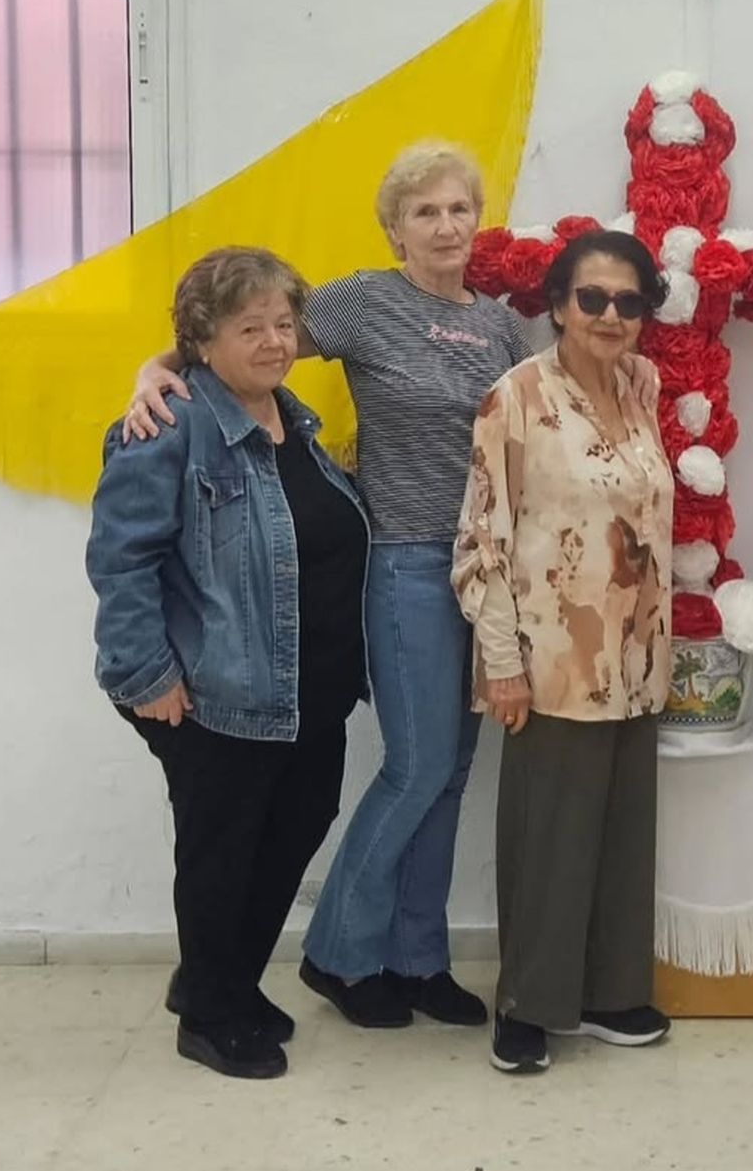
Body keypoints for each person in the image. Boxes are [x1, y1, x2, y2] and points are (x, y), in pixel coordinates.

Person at [125, 143, 528, 1030]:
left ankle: (419, 957)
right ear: (394, 228)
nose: (446, 224)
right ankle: (341, 954)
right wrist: (155, 370)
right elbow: (241, 342)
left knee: (453, 772)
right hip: (406, 564)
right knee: (417, 765)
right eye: (425, 211)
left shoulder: (503, 326)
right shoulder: (362, 302)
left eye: (459, 207)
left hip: (485, 571)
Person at [87, 248, 370, 1080]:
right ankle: (211, 1015)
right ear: (202, 341)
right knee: (222, 851)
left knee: (296, 826)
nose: (275, 342)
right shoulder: (167, 425)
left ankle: (223, 981)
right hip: (216, 689)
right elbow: (121, 560)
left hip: (305, 693)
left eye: (284, 324)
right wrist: (147, 676)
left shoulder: (296, 422)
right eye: (251, 328)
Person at [453, 230, 674, 1076]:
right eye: (593, 298)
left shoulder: (642, 385)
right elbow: (483, 539)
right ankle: (529, 1004)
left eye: (628, 300)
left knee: (622, 834)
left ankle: (613, 993)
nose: (610, 315)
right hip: (551, 655)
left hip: (638, 655)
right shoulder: (513, 397)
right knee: (550, 836)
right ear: (557, 306)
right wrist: (501, 660)